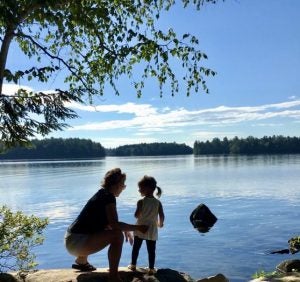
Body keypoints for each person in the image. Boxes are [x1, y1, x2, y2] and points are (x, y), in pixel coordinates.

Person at [64, 168, 148, 282]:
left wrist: (125, 229)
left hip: (71, 239)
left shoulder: (101, 193)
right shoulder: (109, 197)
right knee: (117, 236)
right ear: (116, 185)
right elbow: (115, 224)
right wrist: (138, 228)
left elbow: (107, 223)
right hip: (77, 242)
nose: (123, 188)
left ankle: (81, 261)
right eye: (123, 185)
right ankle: (113, 277)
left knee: (109, 230)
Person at [128, 175, 165, 275]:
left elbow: (136, 215)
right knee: (151, 250)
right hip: (152, 228)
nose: (139, 190)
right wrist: (160, 224)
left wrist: (140, 213)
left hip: (140, 227)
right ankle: (151, 269)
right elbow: (161, 215)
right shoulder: (158, 202)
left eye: (140, 188)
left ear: (148, 189)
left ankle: (133, 265)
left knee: (136, 247)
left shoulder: (141, 202)